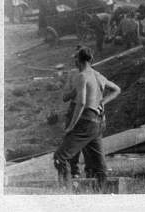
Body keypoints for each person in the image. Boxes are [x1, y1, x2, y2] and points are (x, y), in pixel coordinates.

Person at [53, 46, 121, 187]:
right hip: (98, 121)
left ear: (79, 60)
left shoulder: (82, 76)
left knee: (60, 157)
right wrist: (102, 102)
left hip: (86, 120)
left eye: (76, 59)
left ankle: (65, 193)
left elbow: (82, 103)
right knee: (98, 163)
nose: (75, 62)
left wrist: (71, 126)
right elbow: (117, 89)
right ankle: (103, 191)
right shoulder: (98, 75)